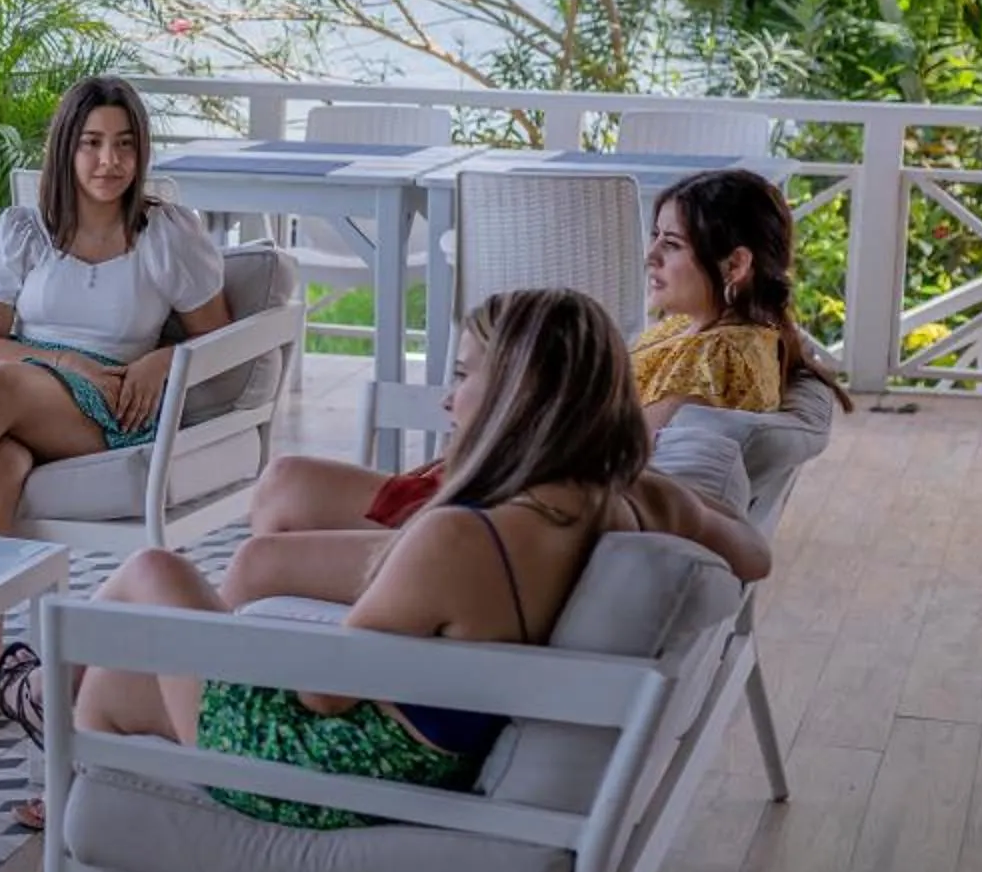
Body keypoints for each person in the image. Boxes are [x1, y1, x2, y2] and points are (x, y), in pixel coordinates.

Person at [0, 288, 772, 872]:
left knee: (153, 576)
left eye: (463, 375)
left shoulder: (460, 538)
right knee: (113, 689)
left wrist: (369, 581)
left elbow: (322, 694)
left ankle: (38, 692)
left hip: (330, 771)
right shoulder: (633, 498)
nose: (447, 397)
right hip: (419, 755)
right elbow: (751, 555)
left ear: (518, 397)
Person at [231, 165, 841, 600]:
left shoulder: (725, 356)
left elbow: (624, 448)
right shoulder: (698, 332)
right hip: (509, 491)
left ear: (736, 264)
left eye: (672, 244)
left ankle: (268, 634)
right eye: (655, 237)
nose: (651, 255)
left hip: (511, 512)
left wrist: (510, 422)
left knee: (281, 499)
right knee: (283, 486)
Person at [0, 75, 235, 734]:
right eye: (92, 143)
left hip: (108, 406)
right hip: (26, 388)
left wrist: (160, 360)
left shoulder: (164, 235)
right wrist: (64, 363)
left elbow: (217, 338)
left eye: (125, 144)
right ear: (66, 150)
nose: (109, 161)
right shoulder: (25, 231)